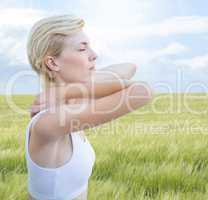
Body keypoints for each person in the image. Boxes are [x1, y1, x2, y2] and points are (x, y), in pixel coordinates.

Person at [25, 14, 153, 200]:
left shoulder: (73, 103)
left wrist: (66, 91)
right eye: (82, 48)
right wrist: (66, 92)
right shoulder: (49, 121)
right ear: (52, 62)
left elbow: (129, 67)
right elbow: (143, 91)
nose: (94, 55)